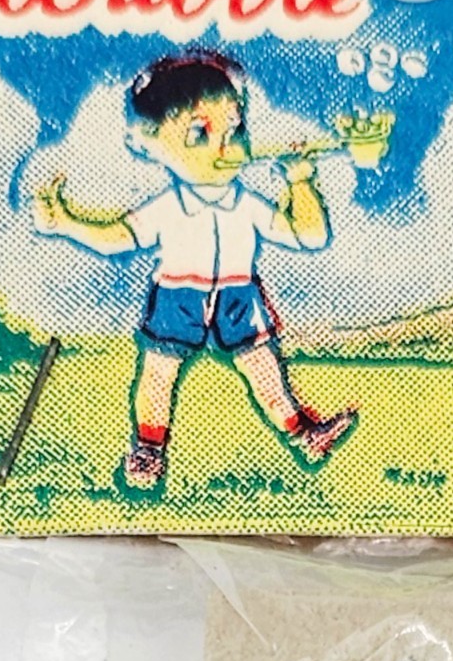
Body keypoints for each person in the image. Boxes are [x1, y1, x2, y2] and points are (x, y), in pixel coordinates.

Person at [33, 51, 356, 487]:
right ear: (151, 142)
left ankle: (304, 434)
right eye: (200, 133)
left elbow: (309, 236)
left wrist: (300, 183)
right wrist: (66, 223)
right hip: (178, 294)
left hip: (239, 294)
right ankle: (147, 451)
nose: (225, 147)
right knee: (158, 372)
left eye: (235, 129)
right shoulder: (170, 206)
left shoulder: (246, 204)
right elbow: (118, 237)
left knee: (264, 368)